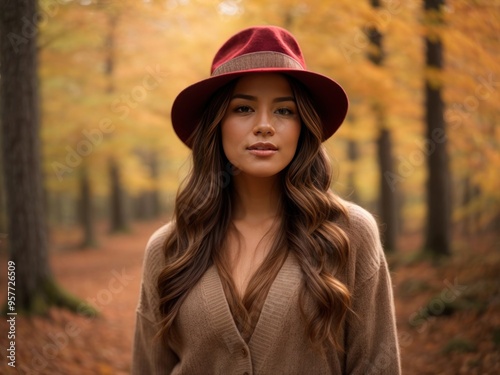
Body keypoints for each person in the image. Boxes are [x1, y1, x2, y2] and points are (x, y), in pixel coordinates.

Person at [132, 25, 401, 374]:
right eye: (243, 109)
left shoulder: (350, 234)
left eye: (284, 111)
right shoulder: (168, 248)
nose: (264, 126)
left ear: (304, 126)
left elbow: (376, 365)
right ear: (217, 124)